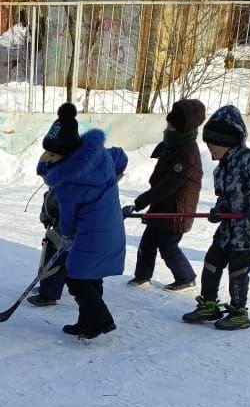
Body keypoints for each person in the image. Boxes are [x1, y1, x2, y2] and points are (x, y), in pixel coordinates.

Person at [182, 104, 250, 330]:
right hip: (230, 228)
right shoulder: (220, 170)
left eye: (213, 144)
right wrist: (219, 211)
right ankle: (208, 305)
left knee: (237, 270)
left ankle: (239, 312)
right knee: (212, 262)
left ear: (227, 140)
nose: (210, 148)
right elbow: (224, 198)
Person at [38, 103, 128, 341]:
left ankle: (101, 319)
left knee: (76, 277)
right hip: (109, 225)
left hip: (92, 233)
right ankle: (86, 322)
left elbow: (67, 217)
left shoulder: (69, 180)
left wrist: (66, 237)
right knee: (90, 275)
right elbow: (120, 156)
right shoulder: (99, 156)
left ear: (67, 153)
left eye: (54, 154)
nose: (50, 158)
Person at [123, 98, 205, 291]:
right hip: (162, 206)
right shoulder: (175, 146)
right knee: (148, 242)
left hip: (176, 210)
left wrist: (142, 201)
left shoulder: (186, 154)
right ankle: (142, 275)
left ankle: (186, 277)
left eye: (170, 126)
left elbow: (168, 186)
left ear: (180, 128)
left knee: (168, 246)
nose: (166, 129)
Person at [26, 176, 67, 307]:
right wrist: (47, 215)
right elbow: (50, 194)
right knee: (54, 248)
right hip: (61, 217)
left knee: (56, 251)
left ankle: (49, 294)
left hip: (73, 222)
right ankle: (49, 287)